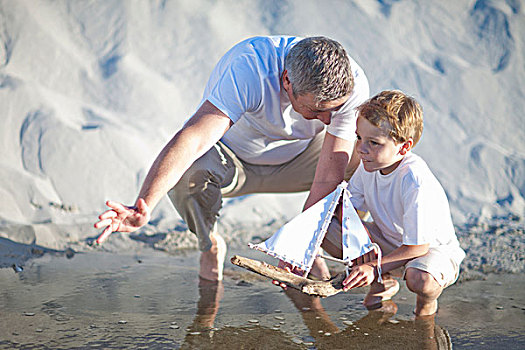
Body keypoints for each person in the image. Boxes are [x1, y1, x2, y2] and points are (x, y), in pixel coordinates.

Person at [94, 35, 370, 281]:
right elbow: (193, 139)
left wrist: (302, 245)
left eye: (334, 110)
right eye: (316, 110)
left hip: (303, 160)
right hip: (233, 162)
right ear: (287, 80)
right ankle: (209, 244)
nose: (327, 120)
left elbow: (327, 176)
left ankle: (352, 249)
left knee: (367, 155)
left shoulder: (352, 85)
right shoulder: (250, 66)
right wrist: (143, 205)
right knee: (189, 174)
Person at [321, 90, 465, 316]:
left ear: (404, 147)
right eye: (359, 138)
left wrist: (372, 266)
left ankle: (426, 306)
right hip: (389, 243)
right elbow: (350, 213)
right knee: (326, 227)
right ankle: (382, 284)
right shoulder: (369, 164)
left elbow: (418, 247)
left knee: (421, 280)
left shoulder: (414, 180)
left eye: (374, 143)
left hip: (429, 253)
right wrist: (355, 237)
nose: (361, 149)